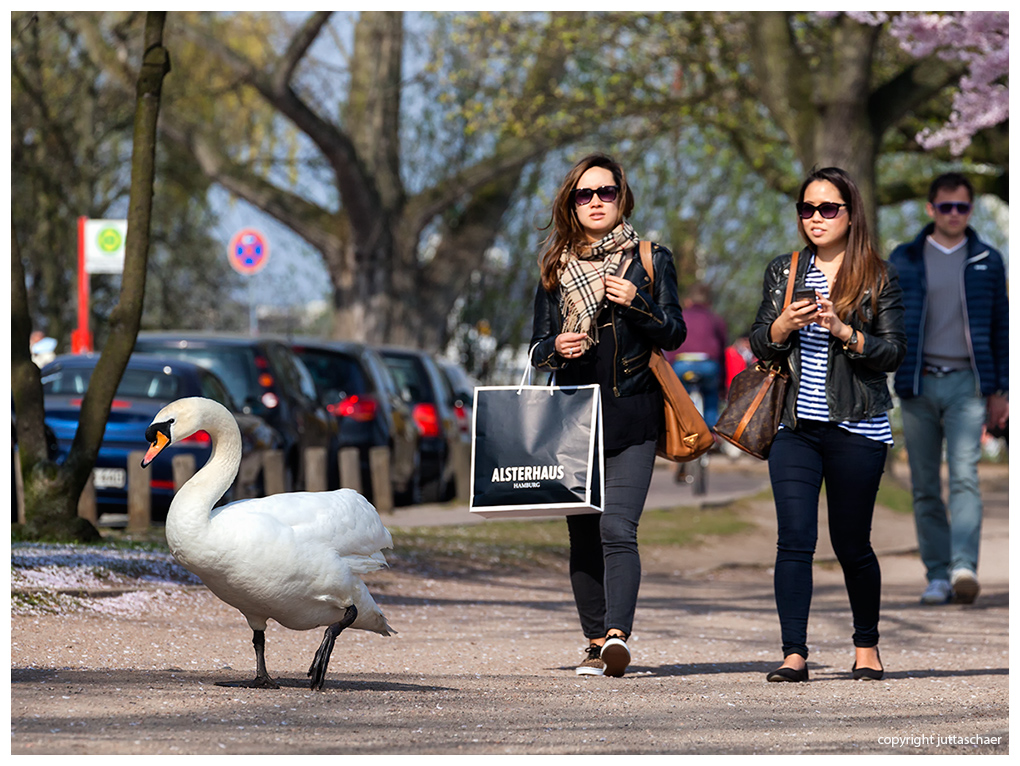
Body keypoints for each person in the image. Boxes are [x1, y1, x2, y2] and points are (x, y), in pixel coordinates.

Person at [529, 153, 685, 678]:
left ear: (623, 198)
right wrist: (556, 346)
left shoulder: (651, 258)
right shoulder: (554, 267)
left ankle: (618, 636)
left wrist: (638, 302)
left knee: (618, 528)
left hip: (633, 413)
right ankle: (594, 641)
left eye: (606, 193)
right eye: (584, 194)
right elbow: (535, 348)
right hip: (572, 418)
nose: (596, 202)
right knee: (582, 535)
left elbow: (676, 333)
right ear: (570, 203)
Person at [749, 167, 906, 683]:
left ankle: (866, 646)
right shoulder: (785, 270)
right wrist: (782, 325)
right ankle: (794, 652)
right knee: (794, 538)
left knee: (851, 543)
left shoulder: (878, 277)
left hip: (857, 427)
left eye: (828, 208)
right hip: (793, 427)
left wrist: (845, 331)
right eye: (806, 209)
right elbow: (760, 341)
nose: (815, 218)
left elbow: (892, 354)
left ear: (850, 213)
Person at [889, 172, 1008, 606]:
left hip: (968, 385)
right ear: (931, 209)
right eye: (946, 207)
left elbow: (1001, 329)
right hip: (918, 384)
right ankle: (936, 574)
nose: (954, 214)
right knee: (923, 484)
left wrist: (1002, 391)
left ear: (971, 210)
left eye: (962, 207)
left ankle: (964, 567)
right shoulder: (904, 259)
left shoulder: (987, 260)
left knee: (964, 478)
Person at [667, 282, 728, 428]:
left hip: (681, 364)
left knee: (678, 397)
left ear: (688, 301)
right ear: (709, 302)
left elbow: (669, 346)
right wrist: (722, 383)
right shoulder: (715, 319)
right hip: (708, 365)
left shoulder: (679, 316)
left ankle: (678, 427)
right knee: (711, 394)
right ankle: (711, 430)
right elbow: (722, 350)